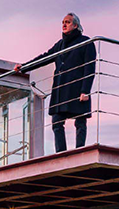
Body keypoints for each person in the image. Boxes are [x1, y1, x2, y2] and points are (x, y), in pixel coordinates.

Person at [15, 13, 96, 153]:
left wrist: (85, 91)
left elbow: (90, 68)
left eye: (68, 22)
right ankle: (61, 153)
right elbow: (45, 57)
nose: (64, 24)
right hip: (61, 89)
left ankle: (79, 152)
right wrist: (25, 67)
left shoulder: (86, 42)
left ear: (75, 25)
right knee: (57, 122)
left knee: (80, 121)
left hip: (77, 88)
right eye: (63, 22)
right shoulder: (60, 44)